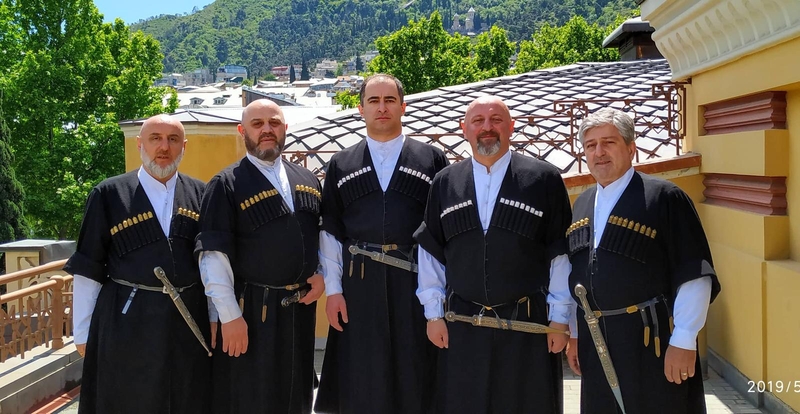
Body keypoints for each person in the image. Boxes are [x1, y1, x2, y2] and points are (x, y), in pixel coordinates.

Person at [414, 96, 572, 413]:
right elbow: (431, 253)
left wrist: (560, 318)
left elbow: (560, 253)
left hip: (526, 324)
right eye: (478, 121)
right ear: (464, 129)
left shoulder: (543, 179)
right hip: (462, 324)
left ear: (511, 127)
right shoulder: (445, 182)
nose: (487, 127)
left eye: (496, 119)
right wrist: (433, 314)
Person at [564, 107, 721, 413]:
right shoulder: (582, 203)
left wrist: (684, 339)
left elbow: (694, 274)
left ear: (631, 148)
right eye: (591, 145)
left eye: (609, 142)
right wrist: (575, 334)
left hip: (651, 341)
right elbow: (576, 275)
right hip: (596, 340)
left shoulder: (665, 198)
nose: (599, 152)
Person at [314, 74, 449, 414]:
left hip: (415, 282)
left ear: (403, 106)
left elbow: (441, 233)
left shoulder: (432, 160)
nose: (382, 107)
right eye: (373, 101)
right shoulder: (341, 163)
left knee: (416, 372)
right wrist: (334, 291)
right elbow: (331, 232)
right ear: (361, 109)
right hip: (358, 286)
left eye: (389, 100)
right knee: (363, 376)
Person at [64, 114, 211, 414]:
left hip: (187, 321)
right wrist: (83, 332)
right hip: (126, 321)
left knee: (187, 397)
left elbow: (211, 264)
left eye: (172, 140)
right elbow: (89, 266)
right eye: (155, 138)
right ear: (139, 144)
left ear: (184, 147)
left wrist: (217, 317)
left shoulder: (202, 194)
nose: (164, 147)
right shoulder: (108, 194)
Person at [195, 99, 324, 413]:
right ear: (242, 131)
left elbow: (319, 237)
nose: (267, 129)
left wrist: (322, 275)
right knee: (253, 398)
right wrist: (230, 317)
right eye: (257, 124)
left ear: (285, 129)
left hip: (299, 311)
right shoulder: (225, 185)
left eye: (274, 122)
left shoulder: (307, 179)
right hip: (251, 312)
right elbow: (213, 257)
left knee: (296, 396)